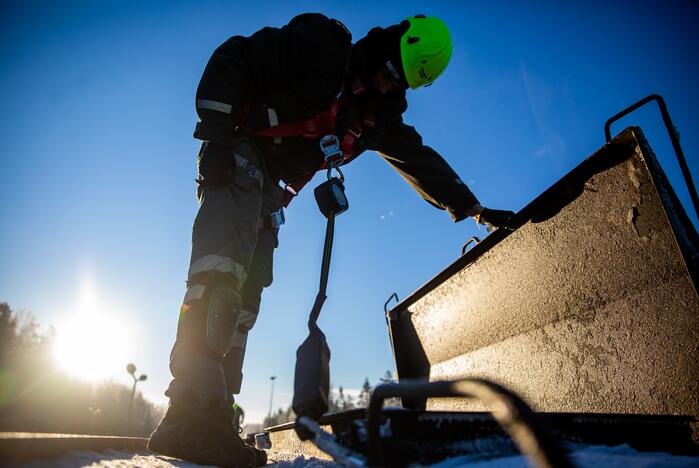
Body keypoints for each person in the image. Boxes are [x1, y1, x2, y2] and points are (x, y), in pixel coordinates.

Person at [148, 13, 515, 467]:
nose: (386, 83)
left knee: (244, 303)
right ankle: (188, 412)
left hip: (268, 195)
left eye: (399, 83)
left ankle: (214, 412)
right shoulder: (323, 44)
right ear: (391, 45)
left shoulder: (376, 120)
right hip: (238, 153)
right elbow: (235, 58)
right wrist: (217, 136)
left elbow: (421, 160)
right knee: (219, 273)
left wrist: (473, 208)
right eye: (390, 69)